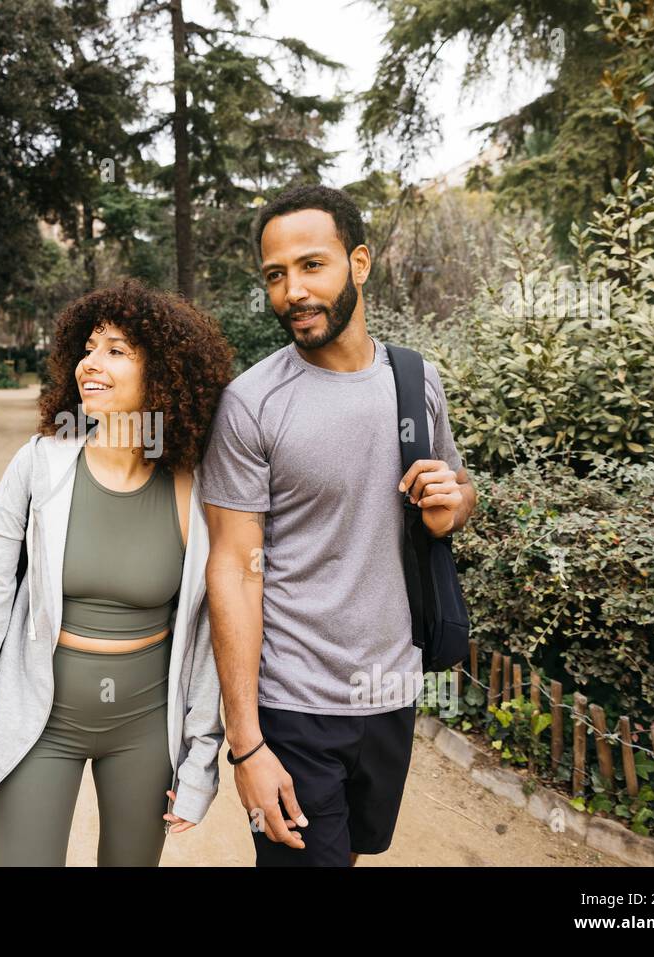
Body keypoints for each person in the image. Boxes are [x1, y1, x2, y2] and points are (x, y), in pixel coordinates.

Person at [200, 183, 478, 866]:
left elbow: (460, 490)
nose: (292, 290)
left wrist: (456, 505)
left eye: (311, 265)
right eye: (275, 275)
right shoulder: (251, 405)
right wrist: (247, 743)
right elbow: (233, 569)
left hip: (392, 692)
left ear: (359, 262)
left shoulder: (418, 381)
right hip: (294, 707)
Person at [0, 277, 234, 866]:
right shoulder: (42, 464)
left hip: (146, 729)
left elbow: (215, 639)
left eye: (116, 350)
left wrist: (199, 763)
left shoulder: (197, 488)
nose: (91, 364)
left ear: (164, 372)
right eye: (87, 349)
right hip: (40, 725)